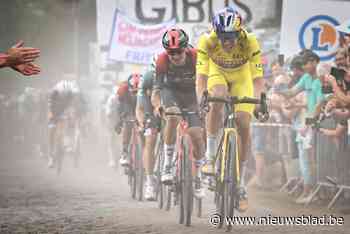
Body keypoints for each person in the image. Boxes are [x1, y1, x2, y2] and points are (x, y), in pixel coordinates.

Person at [195, 7, 265, 212]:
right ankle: (209, 157)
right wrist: (201, 100)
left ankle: (240, 185)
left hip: (242, 77)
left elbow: (258, 79)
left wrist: (259, 100)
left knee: (244, 122)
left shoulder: (250, 40)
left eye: (231, 37)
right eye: (222, 37)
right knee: (217, 96)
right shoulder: (207, 40)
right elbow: (201, 79)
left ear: (239, 32)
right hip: (217, 74)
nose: (226, 42)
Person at [151, 28, 205, 198]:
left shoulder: (196, 56)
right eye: (171, 52)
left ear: (186, 48)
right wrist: (159, 106)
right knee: (172, 116)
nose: (175, 56)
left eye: (178, 52)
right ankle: (167, 164)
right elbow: (156, 91)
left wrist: (203, 104)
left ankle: (198, 177)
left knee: (197, 134)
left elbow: (205, 84)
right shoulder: (161, 60)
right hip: (171, 93)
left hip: (192, 94)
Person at [278, 50, 324, 204]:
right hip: (306, 123)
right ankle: (308, 192)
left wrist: (309, 124)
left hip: (314, 122)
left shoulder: (320, 80)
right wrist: (279, 90)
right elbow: (292, 92)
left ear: (313, 62)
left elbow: (319, 104)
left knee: (309, 159)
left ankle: (311, 192)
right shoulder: (305, 78)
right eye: (302, 64)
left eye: (305, 63)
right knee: (305, 159)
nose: (303, 66)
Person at [47, 80, 87, 168]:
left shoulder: (74, 93)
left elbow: (74, 107)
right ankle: (51, 156)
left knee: (70, 122)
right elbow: (50, 107)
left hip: (67, 108)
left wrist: (73, 116)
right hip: (56, 108)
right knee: (51, 130)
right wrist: (52, 117)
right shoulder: (55, 92)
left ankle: (68, 143)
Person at [136, 66, 160, 201]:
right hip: (150, 110)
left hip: (169, 106)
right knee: (150, 139)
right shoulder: (148, 78)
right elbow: (139, 108)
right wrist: (142, 123)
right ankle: (149, 181)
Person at [116, 74, 140, 167]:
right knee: (128, 123)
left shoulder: (145, 89)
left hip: (139, 107)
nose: (135, 93)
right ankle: (125, 152)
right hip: (127, 107)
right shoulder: (124, 89)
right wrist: (120, 120)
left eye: (137, 91)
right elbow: (122, 107)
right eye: (133, 91)